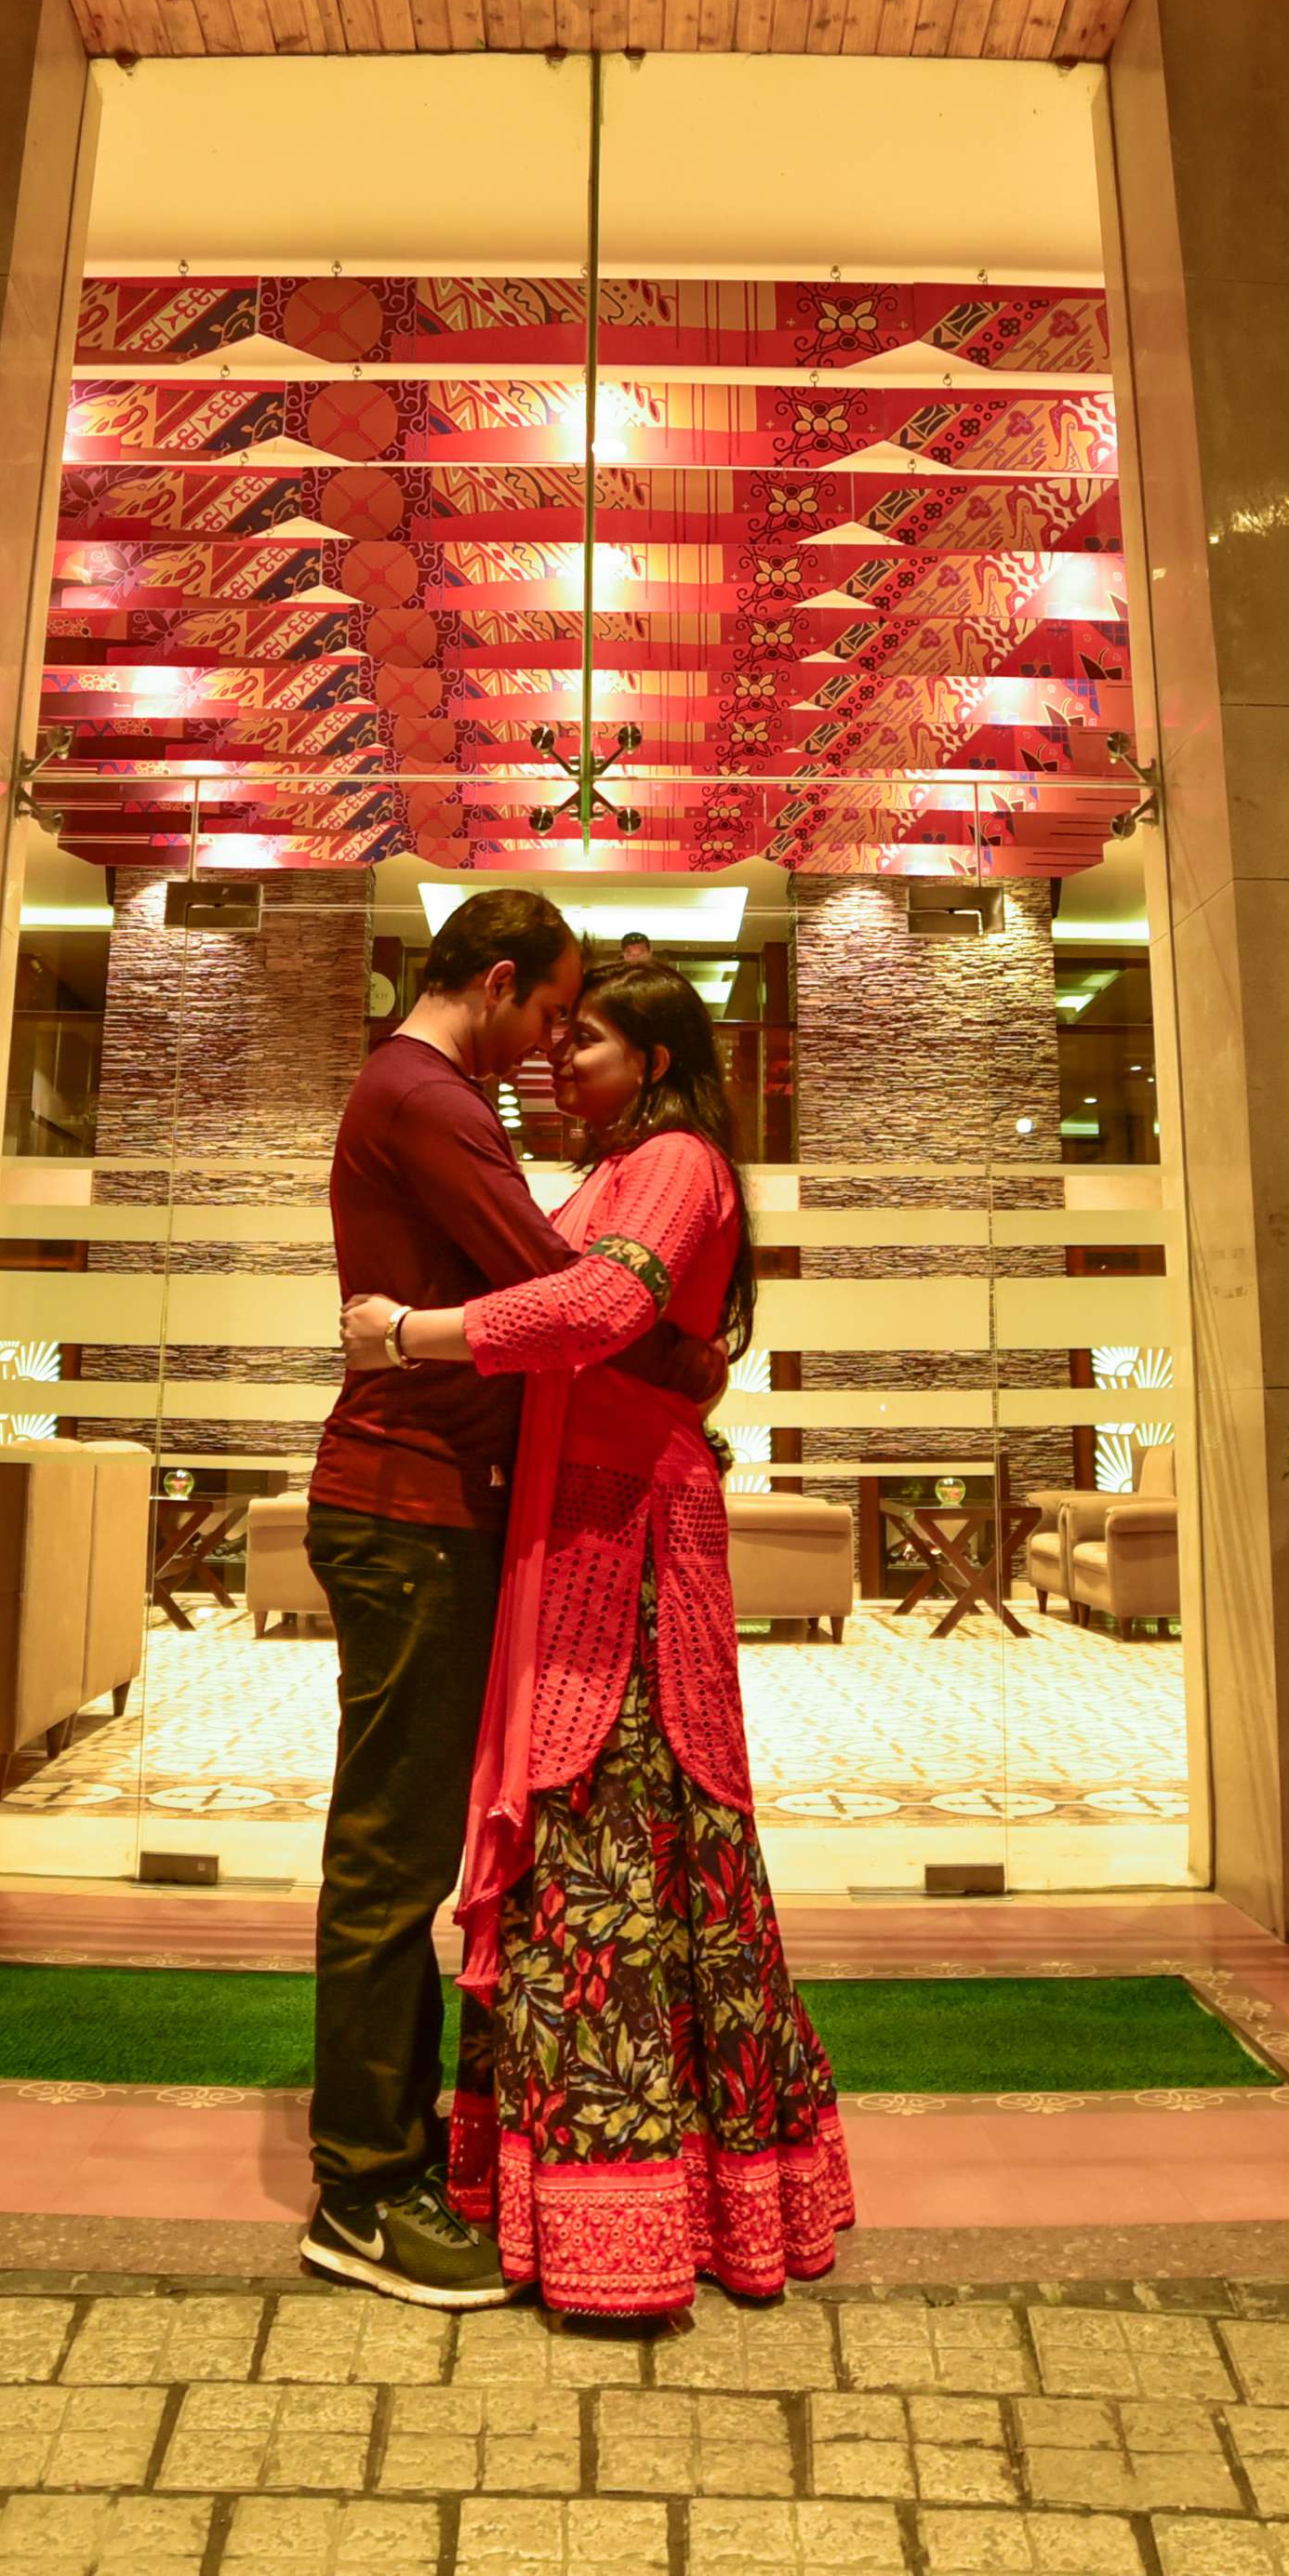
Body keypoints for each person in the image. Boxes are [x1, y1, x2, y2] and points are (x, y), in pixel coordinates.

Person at [344, 958, 853, 2315]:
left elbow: (593, 1312)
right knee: (577, 1856)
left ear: (662, 1066)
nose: (560, 1064)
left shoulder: (679, 1161)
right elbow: (602, 1315)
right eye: (556, 1039)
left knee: (632, 1859)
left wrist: (407, 1333)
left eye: (590, 1044)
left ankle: (643, 2225)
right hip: (569, 1546)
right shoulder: (610, 1178)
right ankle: (562, 2209)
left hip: (628, 1557)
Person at [295, 889, 719, 2309]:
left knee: (410, 1847)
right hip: (404, 1507)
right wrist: (681, 1368)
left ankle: (398, 2150)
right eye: (550, 1011)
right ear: (495, 979)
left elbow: (556, 1289)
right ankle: (360, 2191)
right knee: (392, 1855)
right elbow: (561, 1287)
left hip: (429, 1509)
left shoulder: (428, 1094)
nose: (550, 1048)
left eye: (577, 1032)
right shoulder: (426, 1095)